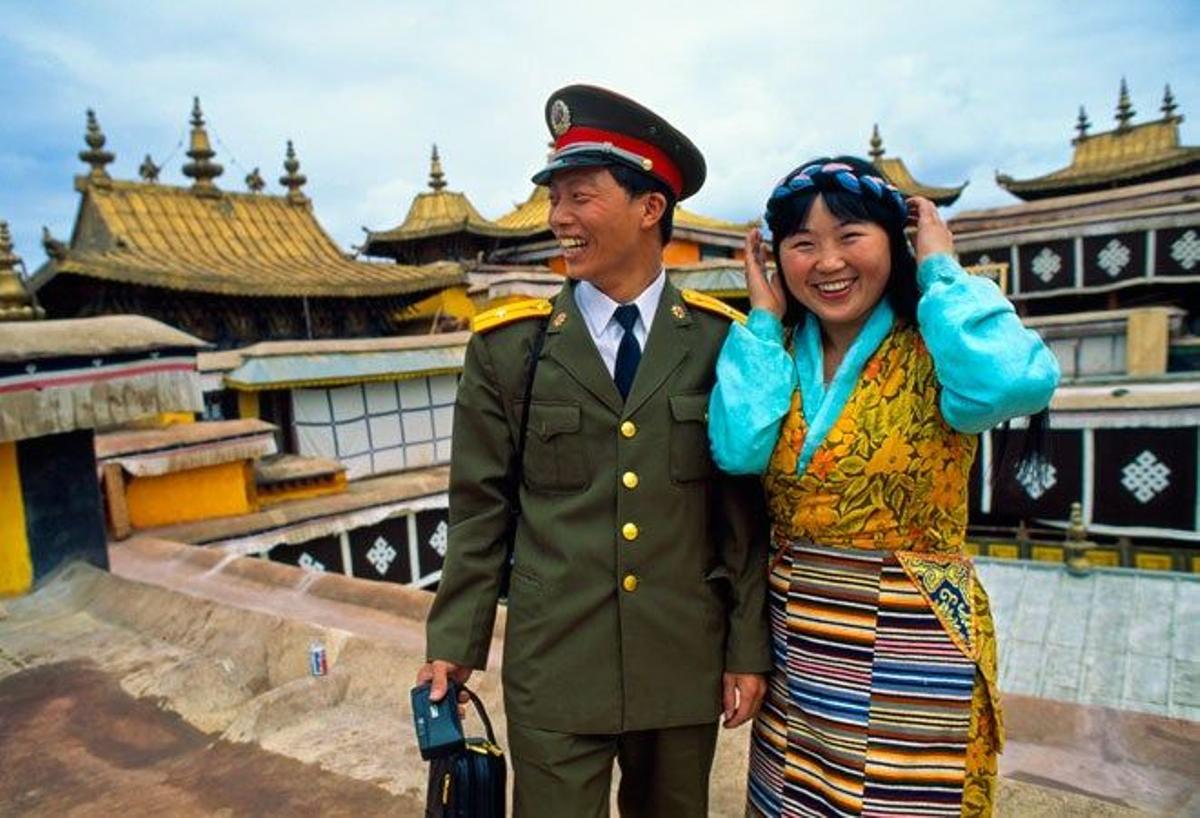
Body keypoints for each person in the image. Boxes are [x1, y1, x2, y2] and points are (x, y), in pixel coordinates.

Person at [418, 84, 773, 818]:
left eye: (580, 197)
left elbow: (741, 516)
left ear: (650, 208)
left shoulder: (716, 342)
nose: (559, 220)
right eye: (555, 201)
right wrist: (455, 642)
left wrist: (746, 648)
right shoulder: (509, 349)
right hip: (556, 667)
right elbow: (480, 512)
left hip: (680, 662)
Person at [708, 156, 1060, 818]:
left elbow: (1016, 381)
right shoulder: (772, 347)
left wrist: (940, 270)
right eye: (803, 244)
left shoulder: (937, 342)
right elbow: (737, 447)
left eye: (850, 237)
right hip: (800, 643)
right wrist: (760, 315)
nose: (828, 262)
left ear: (892, 243)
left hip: (914, 638)